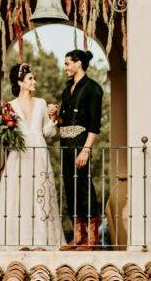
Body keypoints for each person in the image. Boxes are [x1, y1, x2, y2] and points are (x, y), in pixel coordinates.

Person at [0, 63, 63, 249]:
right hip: (19, 156)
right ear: (20, 82)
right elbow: (5, 135)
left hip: (39, 154)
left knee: (40, 195)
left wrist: (53, 119)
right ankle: (17, 241)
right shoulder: (9, 107)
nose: (34, 81)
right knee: (18, 196)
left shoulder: (41, 103)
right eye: (30, 78)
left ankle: (40, 240)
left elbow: (48, 133)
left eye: (33, 78)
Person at [48, 48, 103, 250]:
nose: (65, 67)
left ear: (78, 63)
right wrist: (55, 115)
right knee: (70, 189)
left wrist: (86, 150)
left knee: (84, 188)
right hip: (65, 145)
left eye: (68, 63)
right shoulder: (66, 90)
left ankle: (93, 238)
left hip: (81, 143)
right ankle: (78, 237)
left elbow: (95, 125)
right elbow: (63, 122)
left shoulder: (93, 89)